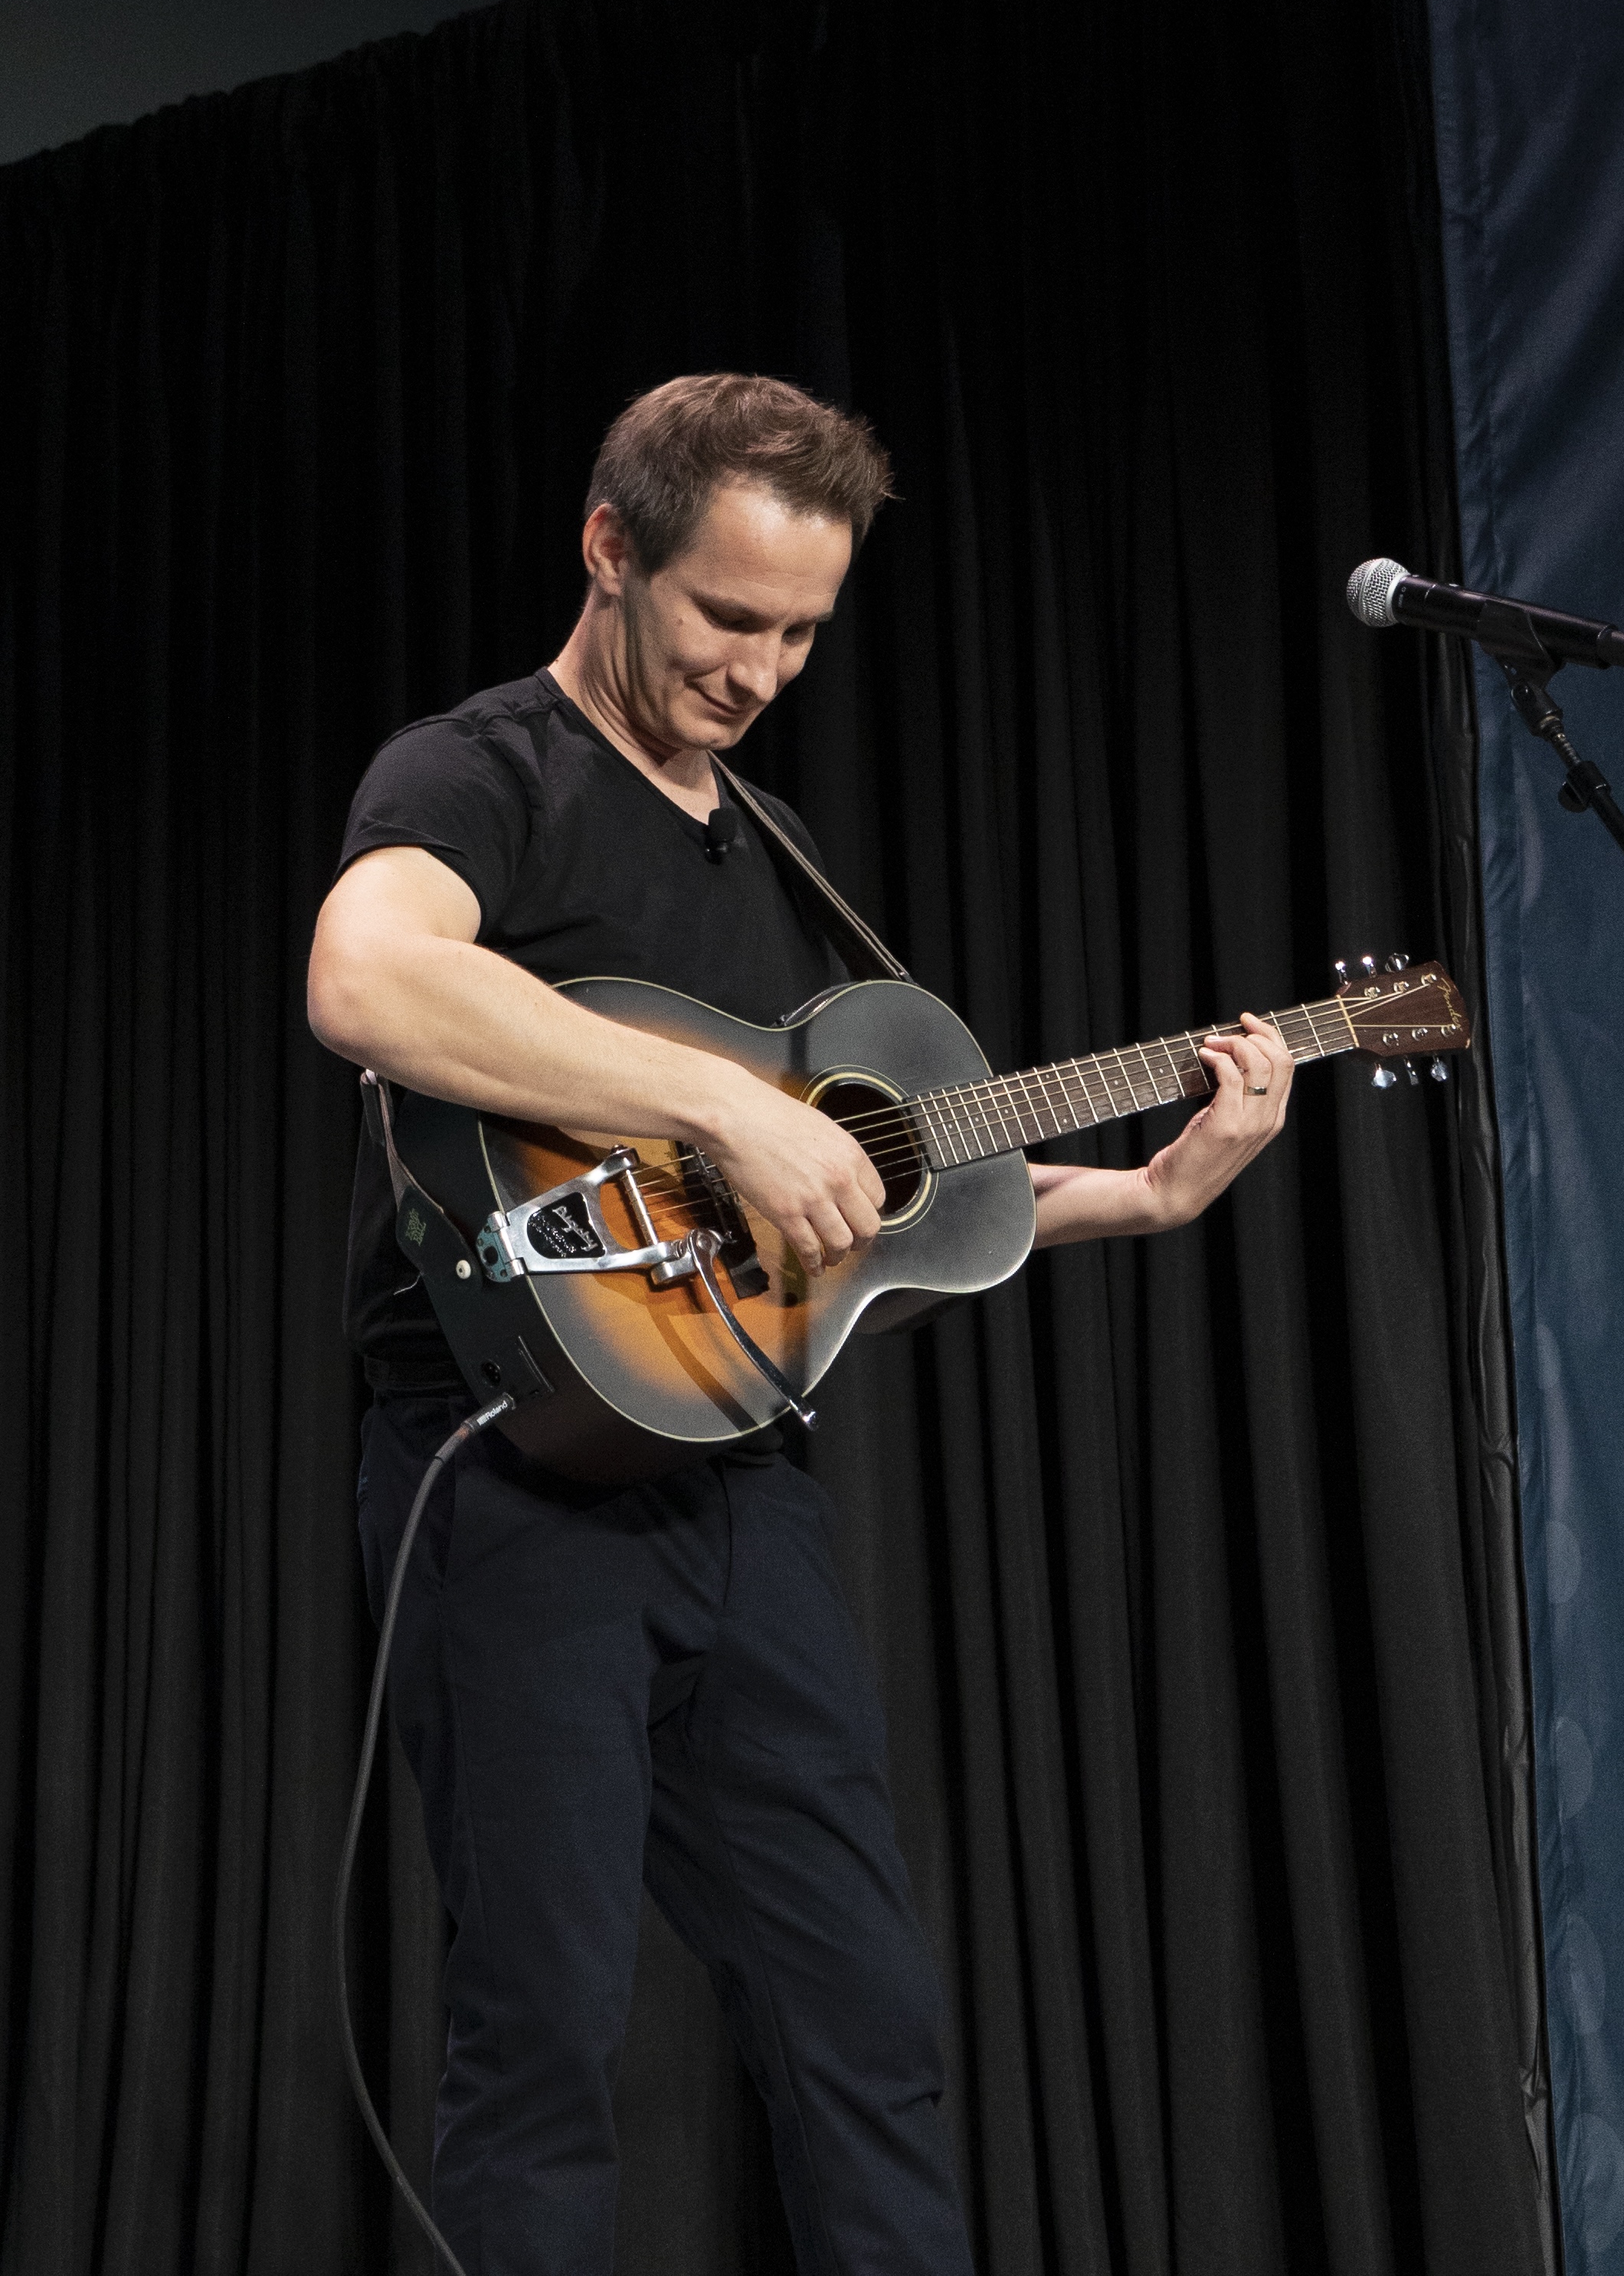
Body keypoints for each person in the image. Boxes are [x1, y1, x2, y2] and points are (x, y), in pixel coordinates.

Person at [306, 373, 1294, 2276]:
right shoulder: (478, 772)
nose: (762, 668)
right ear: (612, 551)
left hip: (743, 1496)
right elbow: (369, 979)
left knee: (867, 2031)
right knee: (546, 2038)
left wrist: (1156, 1193)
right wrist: (717, 1106)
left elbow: (866, 1210)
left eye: (802, 632)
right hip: (507, 1481)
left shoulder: (773, 845)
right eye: (726, 618)